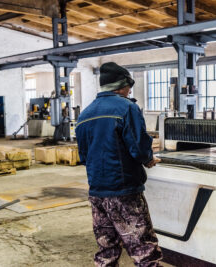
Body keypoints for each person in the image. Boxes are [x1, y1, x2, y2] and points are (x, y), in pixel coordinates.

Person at [75, 62, 163, 267]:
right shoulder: (127, 107)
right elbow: (139, 147)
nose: (130, 90)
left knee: (107, 248)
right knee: (143, 248)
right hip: (124, 191)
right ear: (122, 85)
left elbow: (84, 156)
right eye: (129, 85)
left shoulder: (85, 114)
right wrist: (148, 159)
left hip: (97, 192)